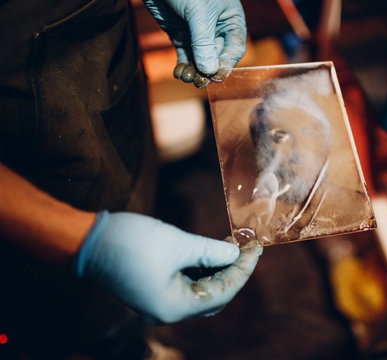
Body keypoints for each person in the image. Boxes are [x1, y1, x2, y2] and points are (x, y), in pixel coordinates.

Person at [0, 0, 262, 358]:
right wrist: (87, 245)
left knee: (131, 191)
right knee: (52, 315)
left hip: (105, 69)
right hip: (19, 159)